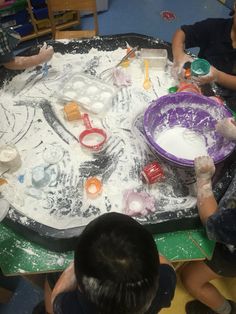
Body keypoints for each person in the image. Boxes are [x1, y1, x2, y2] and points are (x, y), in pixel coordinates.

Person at [42, 212, 176, 314]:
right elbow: (167, 265)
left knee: (52, 277)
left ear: (81, 288)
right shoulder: (164, 286)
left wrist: (73, 268)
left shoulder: (74, 308)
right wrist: (142, 251)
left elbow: (55, 301)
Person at [180, 117, 236, 314]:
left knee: (191, 279)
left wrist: (204, 181)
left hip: (230, 252)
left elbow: (212, 223)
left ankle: (225, 309)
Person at [171, 2, 236, 110]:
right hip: (201, 87)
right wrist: (178, 55)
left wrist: (217, 76)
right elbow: (182, 33)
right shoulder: (215, 28)